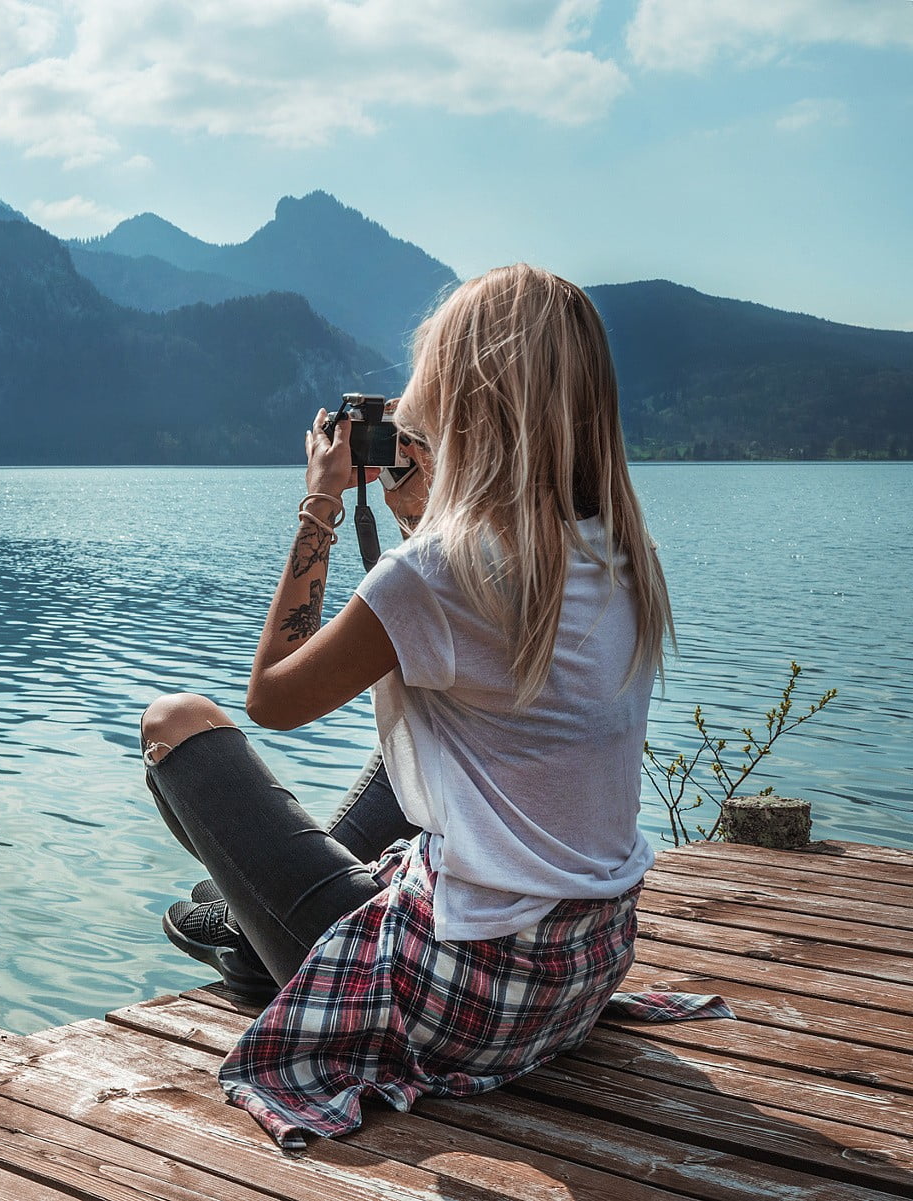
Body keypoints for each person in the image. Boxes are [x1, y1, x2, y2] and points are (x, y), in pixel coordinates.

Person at [138, 264, 729, 1151]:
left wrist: (322, 502)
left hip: (463, 999)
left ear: (468, 398)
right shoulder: (621, 552)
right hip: (576, 973)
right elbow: (478, 649)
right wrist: (424, 518)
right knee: (434, 724)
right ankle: (262, 924)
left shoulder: (442, 570)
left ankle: (258, 936)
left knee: (175, 723)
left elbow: (271, 696)